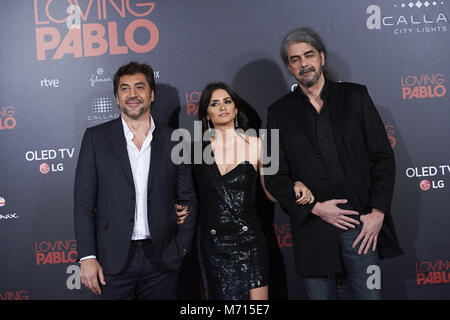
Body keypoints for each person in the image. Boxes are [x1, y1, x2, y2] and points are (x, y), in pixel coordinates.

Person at [263, 27, 403, 300]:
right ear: (289, 68)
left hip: (360, 227)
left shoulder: (356, 97)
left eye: (309, 55)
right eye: (295, 59)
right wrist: (316, 208)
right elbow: (274, 175)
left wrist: (377, 212)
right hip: (312, 232)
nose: (303, 63)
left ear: (322, 58)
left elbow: (383, 157)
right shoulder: (278, 112)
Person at [176, 82, 314, 300]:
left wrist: (294, 185)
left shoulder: (256, 144)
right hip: (212, 244)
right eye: (215, 103)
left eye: (227, 101)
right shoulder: (193, 149)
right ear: (206, 114)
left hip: (249, 241)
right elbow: (185, 194)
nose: (222, 107)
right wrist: (176, 207)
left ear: (236, 109)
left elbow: (271, 192)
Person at [73, 61, 197, 300]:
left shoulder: (175, 139)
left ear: (151, 95)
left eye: (139, 87)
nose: (132, 95)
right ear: (117, 98)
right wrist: (87, 257)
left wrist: (180, 248)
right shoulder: (95, 139)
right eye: (124, 88)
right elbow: (83, 202)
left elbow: (187, 197)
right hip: (112, 260)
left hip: (162, 258)